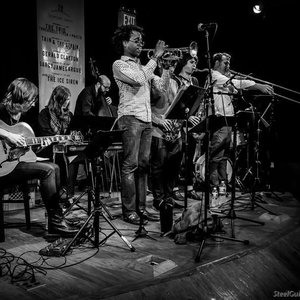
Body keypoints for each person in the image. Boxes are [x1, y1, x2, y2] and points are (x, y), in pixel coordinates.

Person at [0, 78, 78, 236]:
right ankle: (57, 224)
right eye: (31, 100)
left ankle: (56, 219)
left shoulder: (24, 116)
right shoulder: (1, 109)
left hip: (13, 163)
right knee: (49, 170)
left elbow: (25, 150)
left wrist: (41, 146)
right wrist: (7, 134)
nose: (34, 104)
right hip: (2, 165)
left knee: (54, 167)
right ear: (20, 97)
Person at [111, 24, 170, 225]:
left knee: (143, 166)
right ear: (124, 42)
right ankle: (129, 211)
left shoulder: (142, 66)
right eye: (136, 41)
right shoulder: (120, 65)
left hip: (145, 119)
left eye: (141, 41)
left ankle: (141, 208)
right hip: (129, 118)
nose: (140, 44)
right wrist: (154, 58)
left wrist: (167, 68)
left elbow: (161, 87)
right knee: (130, 165)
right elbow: (137, 80)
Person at [200, 52, 274, 193]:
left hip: (228, 121)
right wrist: (257, 85)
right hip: (219, 121)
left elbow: (236, 87)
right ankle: (213, 185)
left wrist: (241, 81)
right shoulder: (213, 75)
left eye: (229, 63)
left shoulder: (223, 79)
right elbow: (236, 84)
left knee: (224, 156)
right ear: (216, 63)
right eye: (225, 63)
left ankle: (223, 184)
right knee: (216, 155)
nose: (228, 65)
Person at [37, 85, 83, 201]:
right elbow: (44, 134)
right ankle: (57, 194)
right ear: (56, 99)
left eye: (68, 100)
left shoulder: (70, 115)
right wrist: (57, 138)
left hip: (66, 149)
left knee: (74, 157)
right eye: (64, 100)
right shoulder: (45, 114)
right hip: (48, 149)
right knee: (60, 157)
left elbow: (74, 132)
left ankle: (69, 194)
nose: (67, 103)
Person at [170, 52, 204, 201]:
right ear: (183, 63)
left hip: (191, 123)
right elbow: (174, 103)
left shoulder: (195, 79)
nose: (194, 65)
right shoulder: (175, 79)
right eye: (191, 62)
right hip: (178, 122)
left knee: (190, 157)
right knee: (177, 158)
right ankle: (174, 187)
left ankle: (190, 187)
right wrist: (187, 118)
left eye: (195, 62)